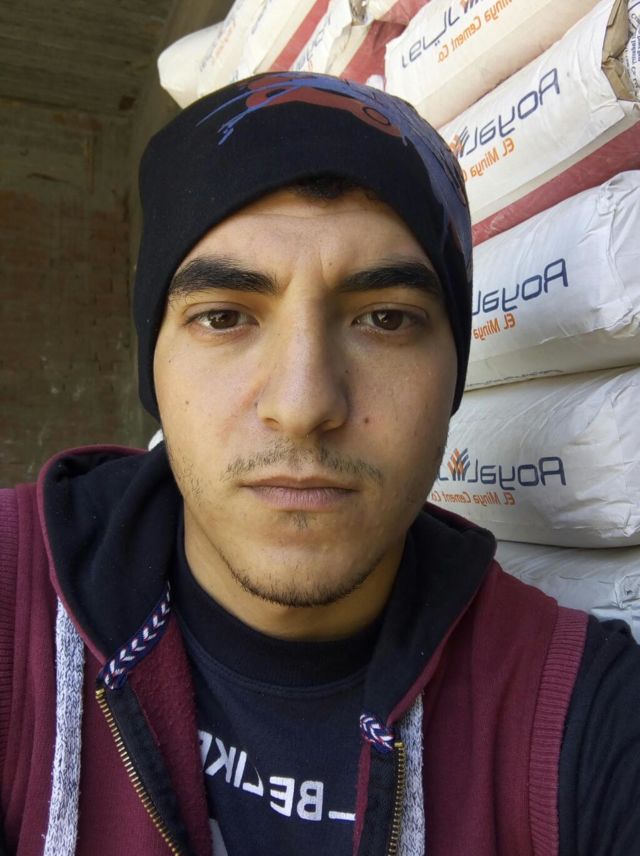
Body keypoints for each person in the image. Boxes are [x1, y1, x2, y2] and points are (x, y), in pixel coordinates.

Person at [1, 72, 639, 856]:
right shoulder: (14, 607)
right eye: (224, 317)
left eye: (386, 319)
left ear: (455, 374)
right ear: (153, 369)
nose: (304, 404)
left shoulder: (578, 710)